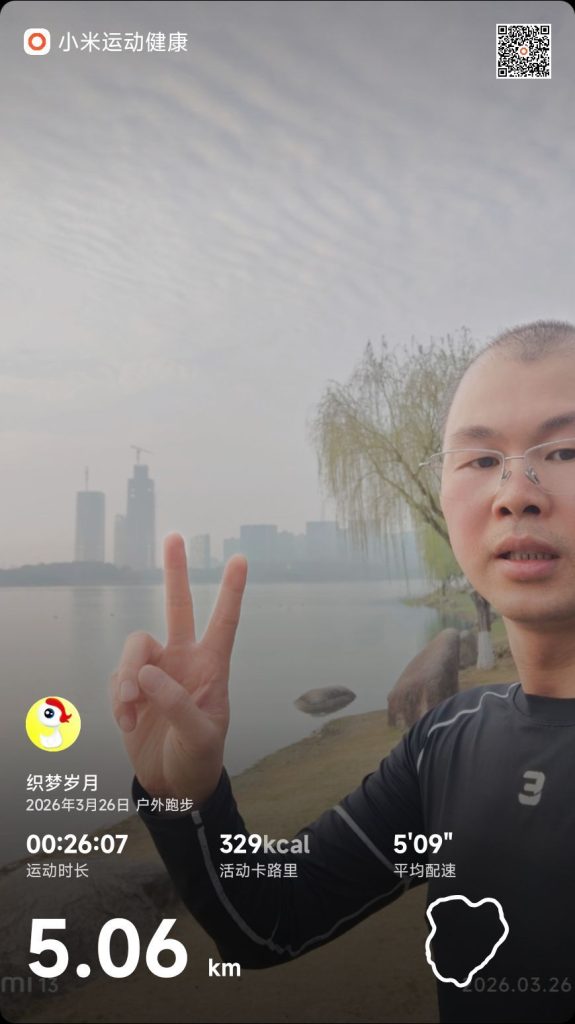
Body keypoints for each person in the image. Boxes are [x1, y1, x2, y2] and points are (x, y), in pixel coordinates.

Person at [110, 319, 575, 1023]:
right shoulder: (446, 743)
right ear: (443, 495)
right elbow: (272, 918)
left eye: (564, 450)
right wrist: (185, 795)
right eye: (480, 460)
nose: (516, 493)